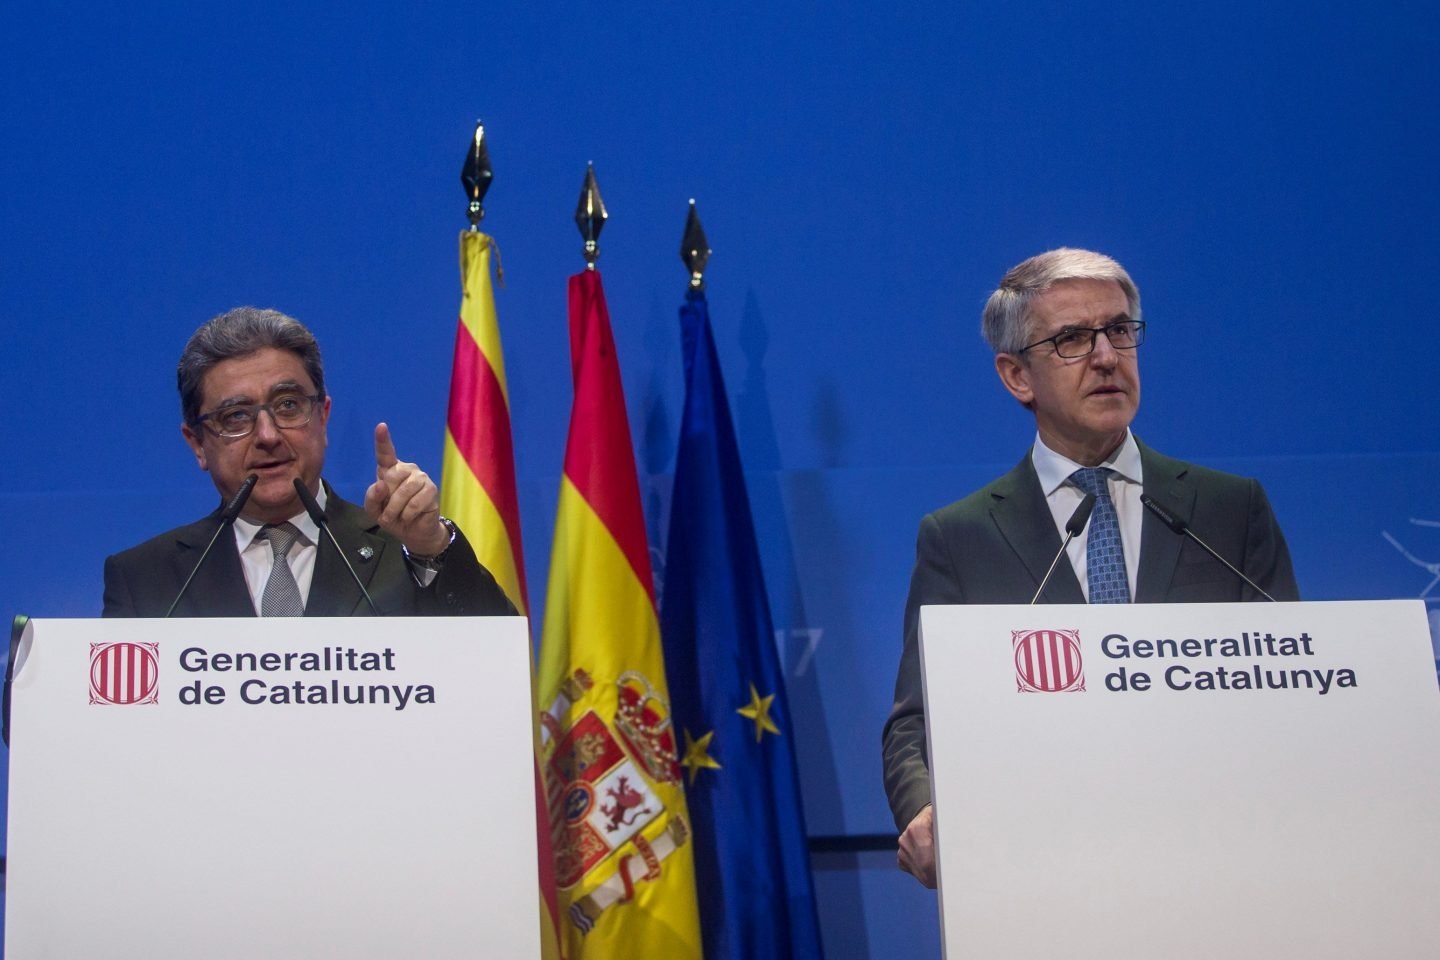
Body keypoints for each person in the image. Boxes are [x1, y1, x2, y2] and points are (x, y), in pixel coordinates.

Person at [881, 249, 1299, 887]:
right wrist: (923, 811)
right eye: (1072, 339)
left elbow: (1291, 679)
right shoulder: (961, 537)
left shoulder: (1228, 511)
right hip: (1046, 871)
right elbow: (916, 720)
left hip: (1222, 865)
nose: (1106, 355)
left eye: (1120, 331)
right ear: (1016, 376)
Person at [103, 307, 514, 618]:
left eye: (287, 405)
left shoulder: (405, 552)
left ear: (323, 416)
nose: (268, 436)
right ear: (196, 443)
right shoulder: (146, 580)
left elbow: (495, 667)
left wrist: (430, 549)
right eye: (236, 417)